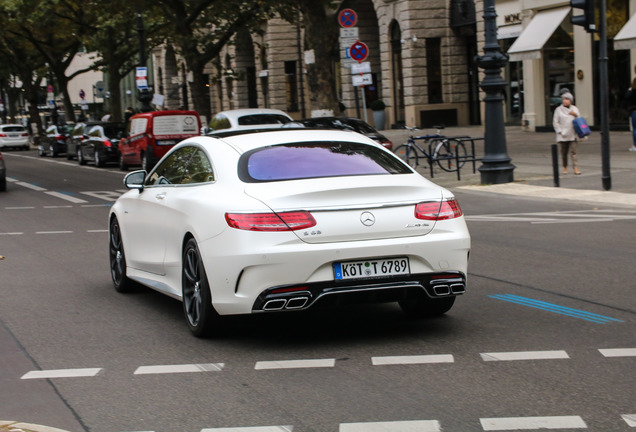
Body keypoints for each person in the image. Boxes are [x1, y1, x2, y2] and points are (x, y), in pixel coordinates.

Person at [553, 92, 581, 175]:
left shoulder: (575, 109)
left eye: (567, 99)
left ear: (571, 100)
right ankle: (565, 167)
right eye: (564, 99)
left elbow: (579, 120)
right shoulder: (558, 110)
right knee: (564, 152)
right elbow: (555, 122)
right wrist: (559, 131)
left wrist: (575, 114)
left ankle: (575, 168)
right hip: (563, 135)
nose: (565, 101)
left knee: (574, 152)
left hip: (572, 134)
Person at [626, 66, 636, 152]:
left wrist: (630, 90)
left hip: (634, 110)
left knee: (635, 129)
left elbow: (627, 97)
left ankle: (635, 145)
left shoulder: (634, 84)